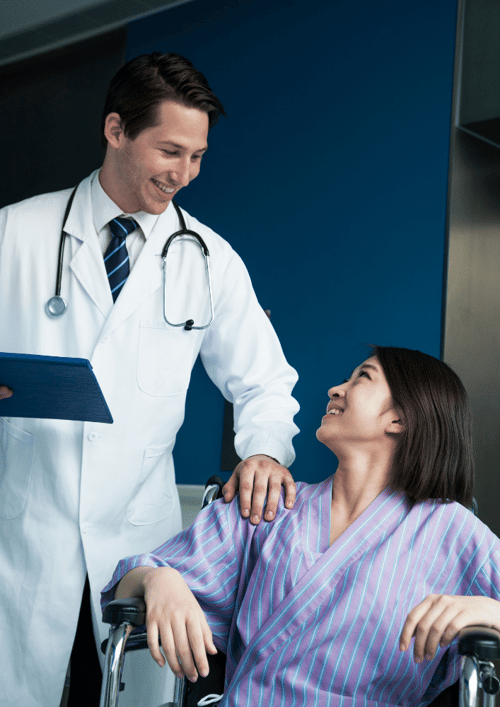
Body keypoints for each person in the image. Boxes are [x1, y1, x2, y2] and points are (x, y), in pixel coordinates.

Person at [0, 53, 299, 707]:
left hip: (141, 543)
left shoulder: (210, 260)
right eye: (170, 150)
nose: (185, 174)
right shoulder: (14, 233)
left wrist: (266, 449)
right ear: (115, 130)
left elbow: (266, 382)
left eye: (197, 156)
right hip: (22, 537)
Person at [103, 346, 500, 706]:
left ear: (400, 418)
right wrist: (157, 579)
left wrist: (489, 610)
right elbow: (124, 584)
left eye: (361, 378)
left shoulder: (452, 531)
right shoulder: (270, 502)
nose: (335, 389)